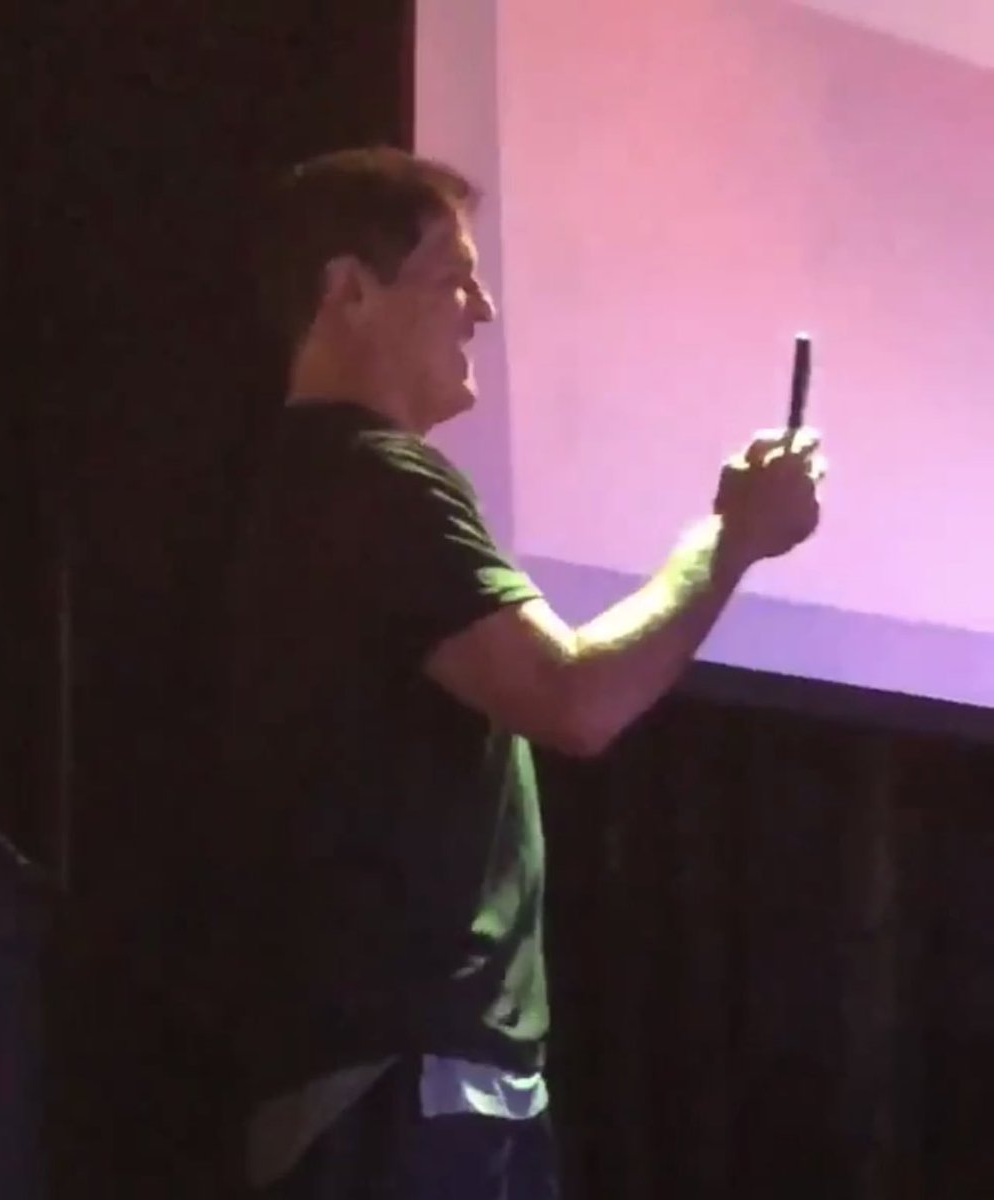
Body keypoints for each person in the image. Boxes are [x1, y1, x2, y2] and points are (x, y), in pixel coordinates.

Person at [195, 145, 824, 1198]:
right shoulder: (374, 476)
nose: (481, 309)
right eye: (454, 278)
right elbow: (577, 699)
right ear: (348, 291)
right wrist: (730, 540)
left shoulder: (307, 485)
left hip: (394, 1079)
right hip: (406, 1081)